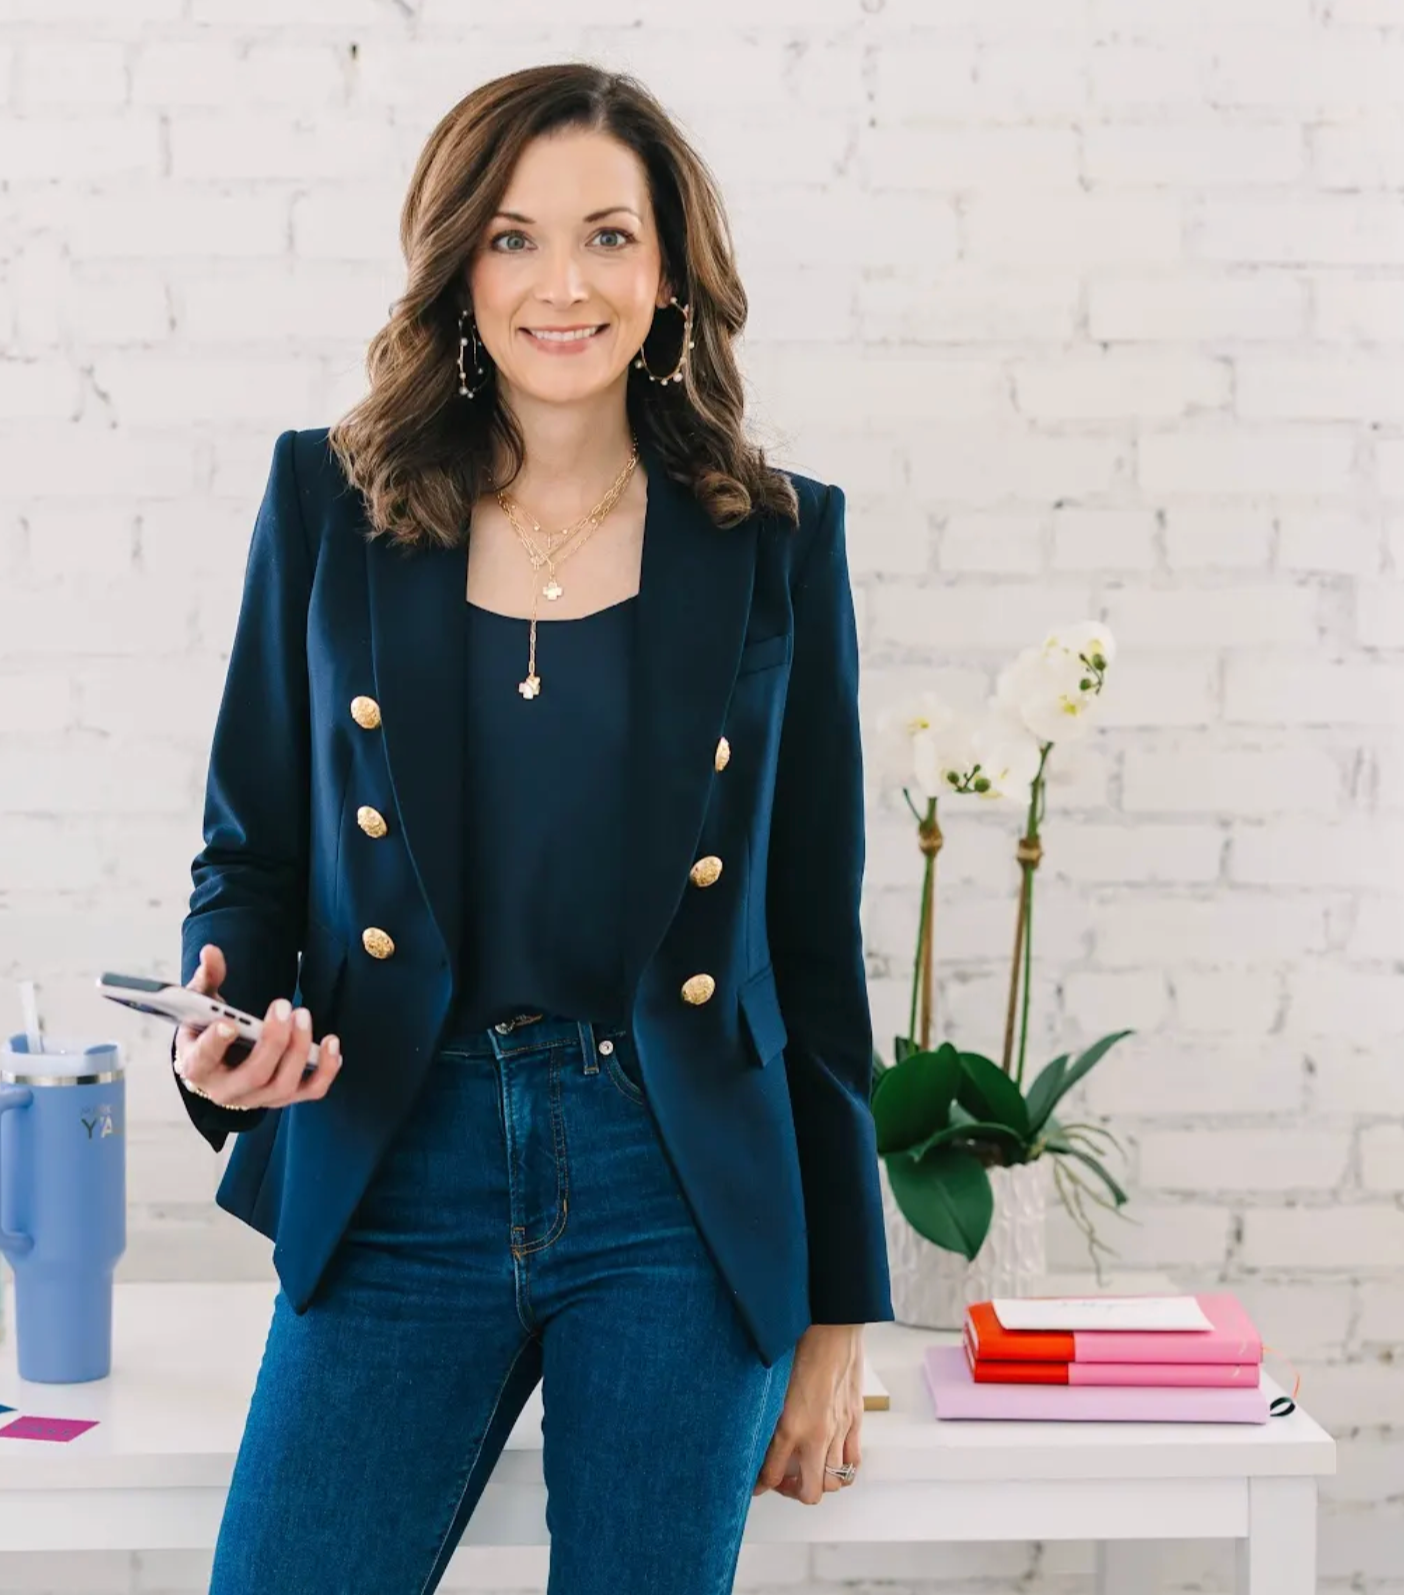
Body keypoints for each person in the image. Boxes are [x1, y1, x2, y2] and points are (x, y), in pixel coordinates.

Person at [168, 62, 892, 1595]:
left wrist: (841, 1310)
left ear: (671, 273)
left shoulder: (778, 543)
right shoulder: (327, 504)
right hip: (398, 1148)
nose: (563, 283)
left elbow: (812, 942)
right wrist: (225, 1019)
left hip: (675, 1182)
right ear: (454, 271)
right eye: (511, 238)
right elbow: (251, 854)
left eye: (608, 237)